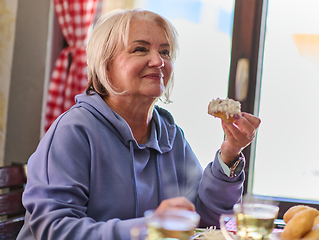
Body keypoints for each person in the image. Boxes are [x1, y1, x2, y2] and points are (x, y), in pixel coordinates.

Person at [17, 8, 261, 240]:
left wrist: (229, 155)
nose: (158, 61)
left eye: (165, 52)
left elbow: (205, 220)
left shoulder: (169, 134)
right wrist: (149, 228)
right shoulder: (74, 132)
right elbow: (54, 230)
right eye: (140, 49)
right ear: (106, 66)